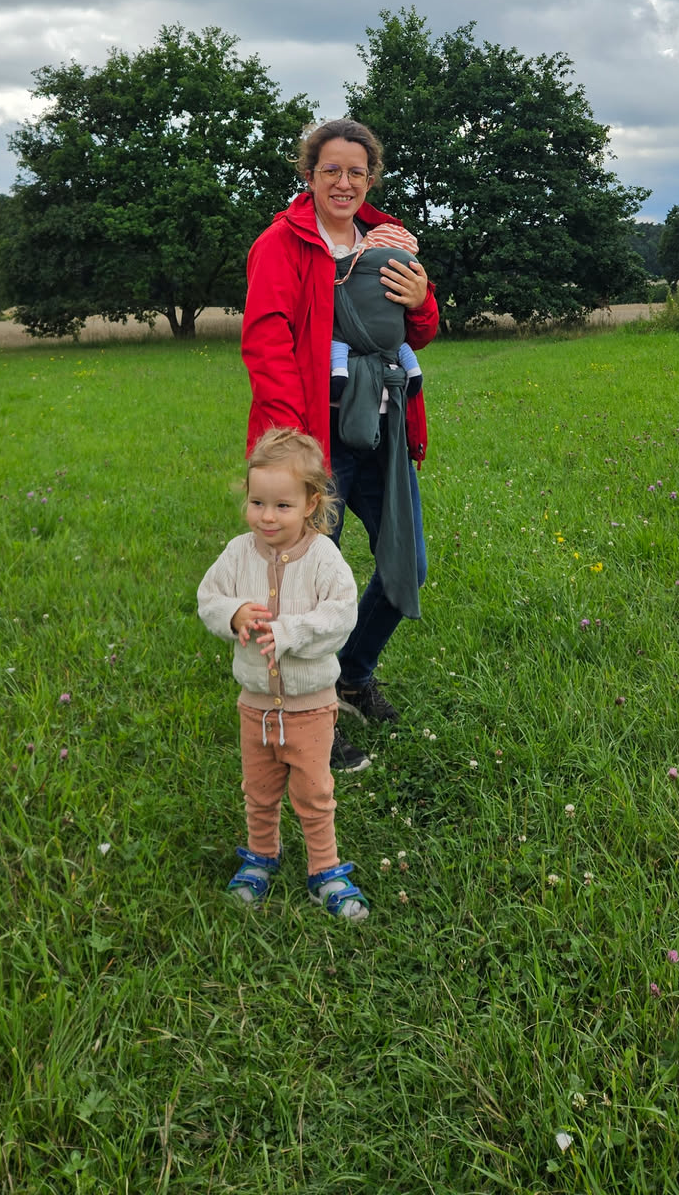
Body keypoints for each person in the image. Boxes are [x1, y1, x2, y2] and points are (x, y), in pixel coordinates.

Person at [241, 118, 439, 774]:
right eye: (332, 170)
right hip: (313, 438)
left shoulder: (385, 240)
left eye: (357, 171)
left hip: (380, 432)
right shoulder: (282, 244)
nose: (345, 182)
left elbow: (412, 332)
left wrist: (423, 301)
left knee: (408, 561)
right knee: (306, 587)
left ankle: (352, 674)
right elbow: (266, 343)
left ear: (370, 178)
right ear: (310, 175)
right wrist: (291, 447)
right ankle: (306, 716)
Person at [196, 427, 369, 920]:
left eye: (282, 506)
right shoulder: (237, 553)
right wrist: (233, 614)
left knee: (314, 792)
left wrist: (289, 631)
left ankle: (325, 870)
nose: (267, 517)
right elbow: (208, 598)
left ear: (311, 503)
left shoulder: (324, 558)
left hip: (310, 706)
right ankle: (261, 857)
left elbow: (341, 615)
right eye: (257, 503)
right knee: (259, 790)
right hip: (255, 706)